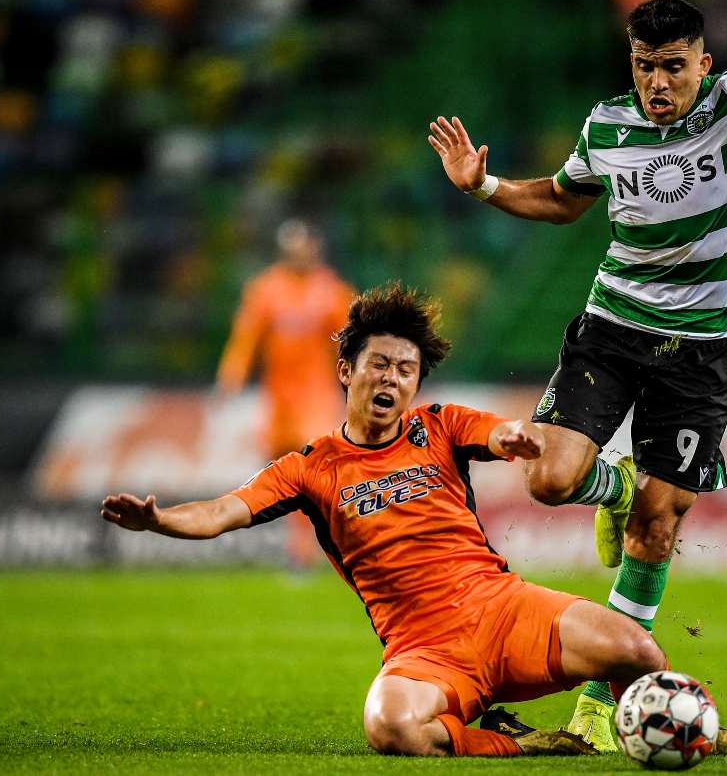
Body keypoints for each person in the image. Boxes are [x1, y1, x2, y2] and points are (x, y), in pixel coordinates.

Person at [426, 0, 727, 749]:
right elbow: (563, 200)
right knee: (549, 479)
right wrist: (483, 185)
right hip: (613, 330)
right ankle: (614, 485)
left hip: (704, 350)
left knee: (658, 526)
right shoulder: (608, 124)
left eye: (673, 67)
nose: (657, 83)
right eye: (643, 66)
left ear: (703, 64)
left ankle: (599, 705)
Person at [102, 283, 667, 758]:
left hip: (504, 611)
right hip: (425, 652)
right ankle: (518, 744)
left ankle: (674, 729)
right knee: (390, 724)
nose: (392, 379)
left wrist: (513, 435)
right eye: (379, 364)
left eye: (405, 370)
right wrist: (160, 520)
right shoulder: (310, 468)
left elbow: (496, 431)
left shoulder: (440, 425)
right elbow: (220, 511)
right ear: (346, 371)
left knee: (639, 652)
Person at [216, 219, 356, 568]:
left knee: (313, 469)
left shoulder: (332, 291)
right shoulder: (266, 290)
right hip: (278, 399)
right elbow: (247, 336)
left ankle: (309, 550)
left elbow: (352, 341)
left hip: (316, 396)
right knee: (285, 474)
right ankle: (302, 548)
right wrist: (231, 375)